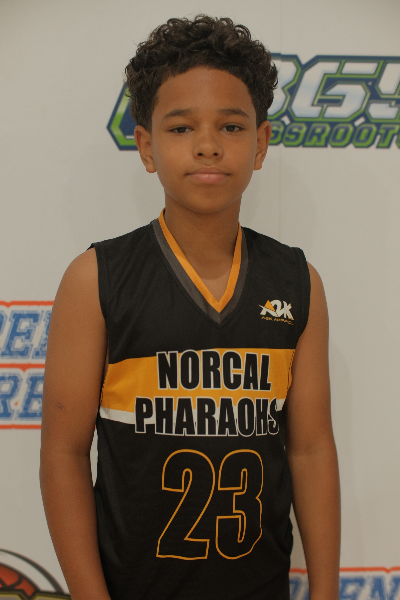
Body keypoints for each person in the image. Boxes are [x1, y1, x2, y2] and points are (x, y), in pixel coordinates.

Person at [40, 15, 340, 600]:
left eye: (231, 125)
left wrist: (326, 592)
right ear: (146, 146)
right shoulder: (96, 278)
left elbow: (309, 449)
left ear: (260, 144)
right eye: (181, 128)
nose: (207, 144)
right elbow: (64, 453)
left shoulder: (297, 280)